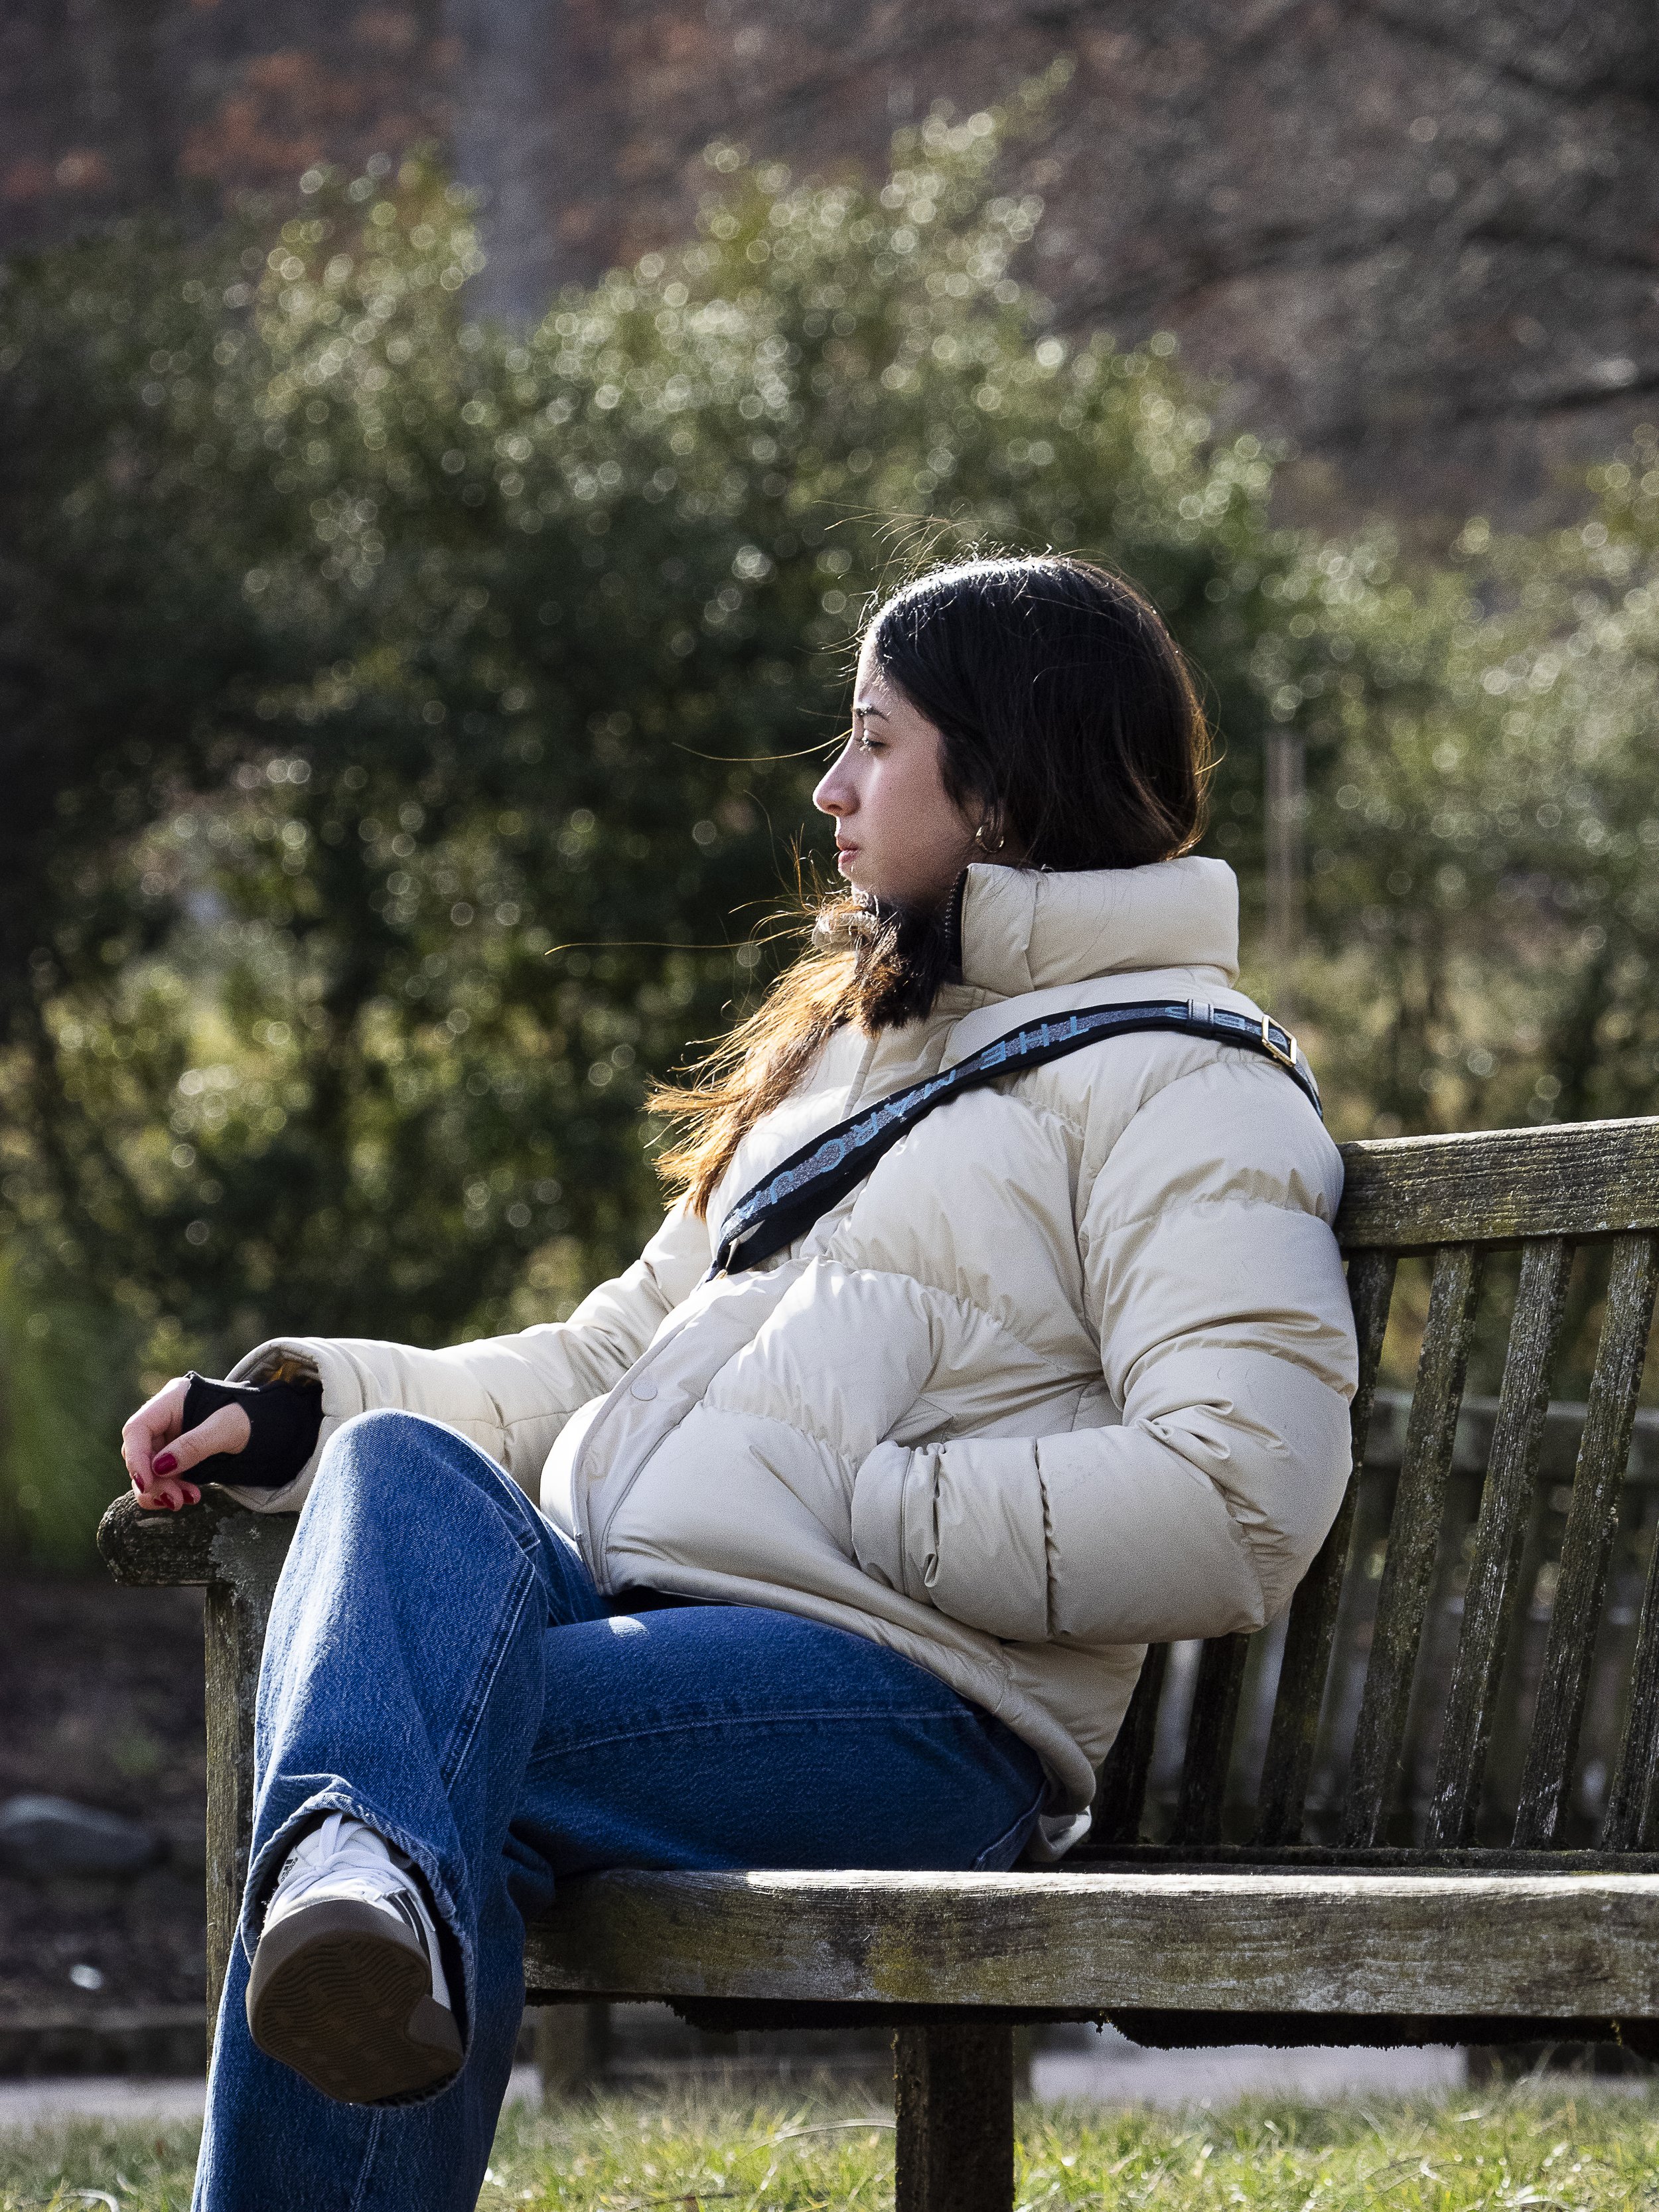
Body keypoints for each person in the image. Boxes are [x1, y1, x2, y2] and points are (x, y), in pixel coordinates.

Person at [122, 555, 1358, 2211]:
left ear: (999, 775)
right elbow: (604, 1355)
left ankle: (354, 1862)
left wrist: (868, 1504)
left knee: (418, 1749)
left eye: (873, 742)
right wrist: (297, 1408)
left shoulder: (1180, 1084)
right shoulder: (855, 1049)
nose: (831, 790)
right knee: (394, 1488)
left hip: (912, 1703)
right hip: (651, 1630)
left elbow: (1235, 1498)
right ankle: (359, 1872)